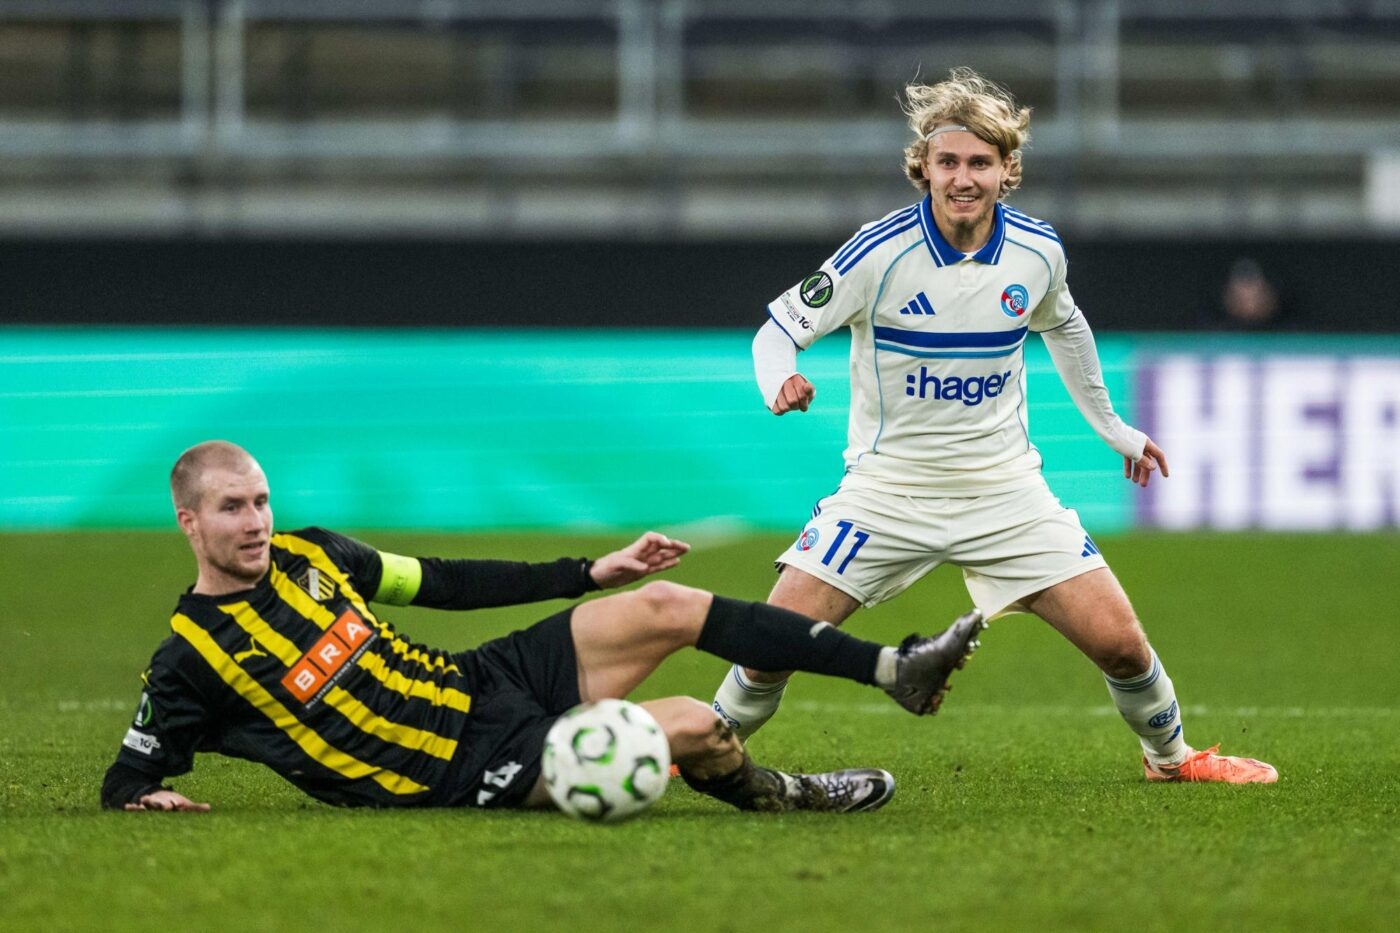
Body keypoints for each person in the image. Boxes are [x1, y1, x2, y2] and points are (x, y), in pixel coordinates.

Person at [710, 68, 1277, 785]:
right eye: (947, 161)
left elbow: (1066, 328)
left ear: (1008, 168)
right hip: (888, 493)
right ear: (923, 167)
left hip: (1006, 494)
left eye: (979, 162)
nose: (962, 178)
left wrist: (1114, 429)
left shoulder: (1038, 252)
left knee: (1122, 646)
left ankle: (1171, 759)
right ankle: (700, 746)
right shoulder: (877, 252)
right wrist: (778, 378)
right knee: (771, 645)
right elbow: (775, 333)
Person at [102, 440, 983, 816]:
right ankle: (784, 792)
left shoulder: (312, 553)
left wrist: (586, 573)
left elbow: (442, 582)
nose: (256, 521)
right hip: (458, 771)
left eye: (260, 500)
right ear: (190, 521)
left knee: (666, 605)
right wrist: (144, 796)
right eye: (233, 507)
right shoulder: (191, 658)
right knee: (694, 723)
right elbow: (131, 774)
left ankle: (893, 668)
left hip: (479, 682)